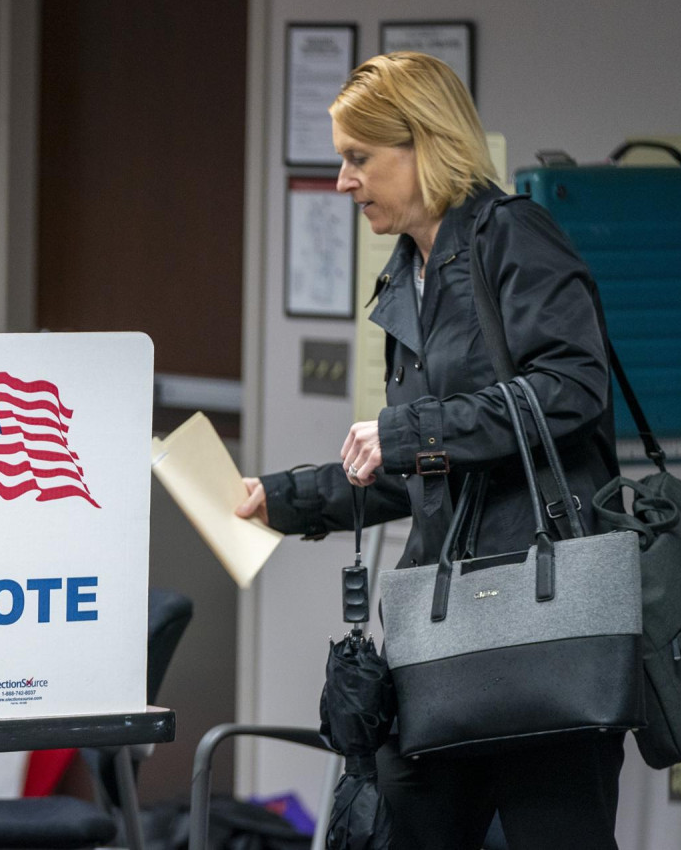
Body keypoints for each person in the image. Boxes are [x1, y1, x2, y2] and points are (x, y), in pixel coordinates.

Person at [235, 52, 625, 849]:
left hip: (542, 630)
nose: (344, 183)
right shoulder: (407, 277)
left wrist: (410, 433)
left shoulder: (513, 236)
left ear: (424, 144)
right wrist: (283, 499)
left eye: (358, 158)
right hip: (445, 639)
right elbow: (418, 469)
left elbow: (575, 391)